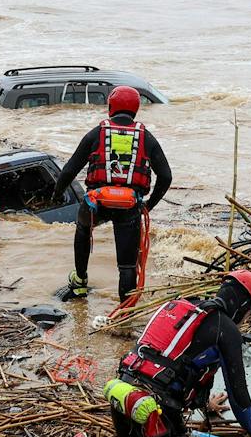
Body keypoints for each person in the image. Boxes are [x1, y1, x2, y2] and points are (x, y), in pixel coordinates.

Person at [104, 270, 251, 437]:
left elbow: (169, 360)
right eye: (248, 315)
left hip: (124, 397)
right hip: (157, 412)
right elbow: (238, 394)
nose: (244, 321)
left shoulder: (181, 306)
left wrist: (205, 403)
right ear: (243, 307)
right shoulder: (226, 329)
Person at [52, 85, 172, 302]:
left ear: (110, 107)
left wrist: (57, 194)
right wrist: (148, 205)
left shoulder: (97, 133)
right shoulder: (147, 138)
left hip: (97, 204)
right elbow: (166, 177)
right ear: (136, 109)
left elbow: (69, 170)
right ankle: (125, 314)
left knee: (83, 229)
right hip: (129, 207)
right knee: (127, 267)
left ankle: (79, 282)